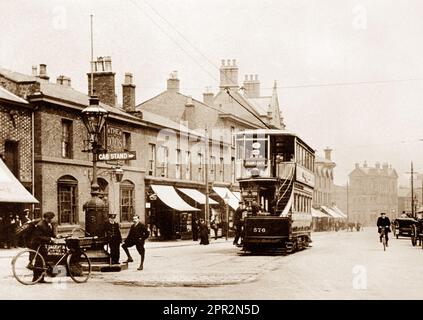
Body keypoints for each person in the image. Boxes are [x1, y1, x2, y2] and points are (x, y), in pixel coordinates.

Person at [30, 211, 56, 283]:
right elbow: (38, 236)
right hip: (37, 244)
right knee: (39, 261)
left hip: (42, 245)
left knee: (43, 261)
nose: (51, 220)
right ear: (46, 218)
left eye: (51, 218)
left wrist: (55, 236)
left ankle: (41, 278)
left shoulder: (48, 224)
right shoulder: (40, 225)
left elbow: (50, 234)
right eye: (49, 218)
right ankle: (35, 278)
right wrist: (49, 239)